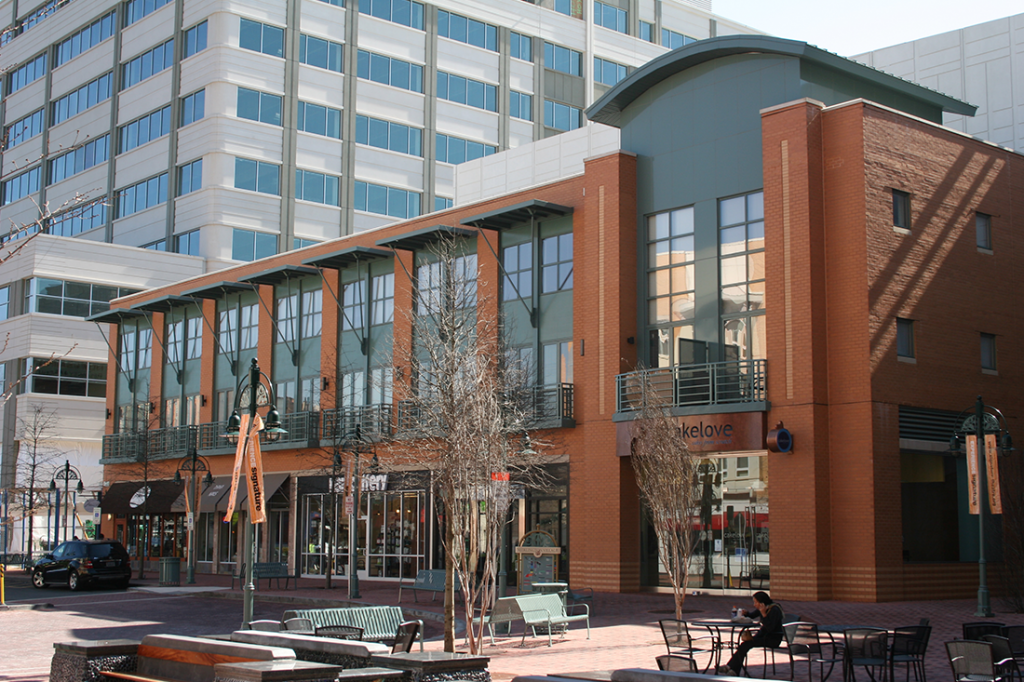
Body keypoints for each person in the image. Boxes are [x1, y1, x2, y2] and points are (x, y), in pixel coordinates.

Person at [718, 591, 784, 675]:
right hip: (763, 636)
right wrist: (746, 613)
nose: (754, 605)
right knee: (744, 645)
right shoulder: (762, 608)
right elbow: (752, 615)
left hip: (773, 639)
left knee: (746, 644)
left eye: (756, 602)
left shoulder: (774, 609)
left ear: (761, 602)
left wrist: (764, 614)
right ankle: (732, 669)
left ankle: (731, 668)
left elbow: (770, 628)